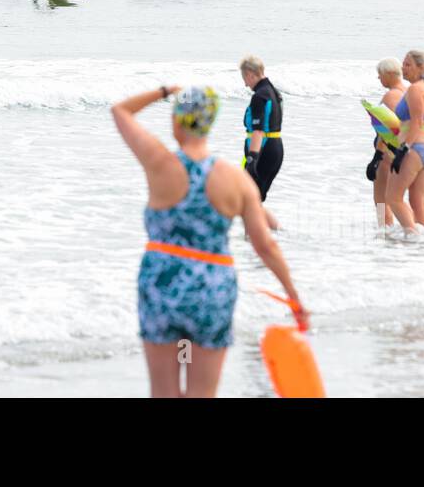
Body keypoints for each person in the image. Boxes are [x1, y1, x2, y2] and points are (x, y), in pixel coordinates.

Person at [111, 85, 307, 398]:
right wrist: (293, 296)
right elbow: (265, 245)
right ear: (210, 123)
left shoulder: (159, 162)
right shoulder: (235, 178)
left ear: (177, 121)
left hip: (163, 284)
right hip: (211, 288)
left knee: (164, 392)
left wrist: (163, 91)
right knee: (202, 393)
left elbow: (120, 110)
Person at [386, 48, 424, 234]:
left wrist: (402, 149)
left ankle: (412, 235)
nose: (403, 68)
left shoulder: (414, 89)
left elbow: (417, 122)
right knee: (417, 200)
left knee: (393, 198)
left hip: (414, 149)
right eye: (403, 64)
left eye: (407, 64)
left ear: (420, 67)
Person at [240, 56, 283, 230]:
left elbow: (258, 131)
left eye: (244, 78)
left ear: (250, 74)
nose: (245, 84)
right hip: (275, 148)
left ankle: (255, 240)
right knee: (254, 200)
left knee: (248, 200)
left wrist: (252, 160)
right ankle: (276, 233)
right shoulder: (273, 92)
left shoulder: (259, 96)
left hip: (263, 151)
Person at [368, 58, 408, 229]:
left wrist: (377, 157)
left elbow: (389, 130)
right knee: (395, 198)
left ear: (390, 74)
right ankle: (406, 229)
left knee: (381, 200)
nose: (379, 79)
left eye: (380, 75)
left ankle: (385, 232)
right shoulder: (407, 92)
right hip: (405, 153)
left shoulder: (391, 95)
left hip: (389, 154)